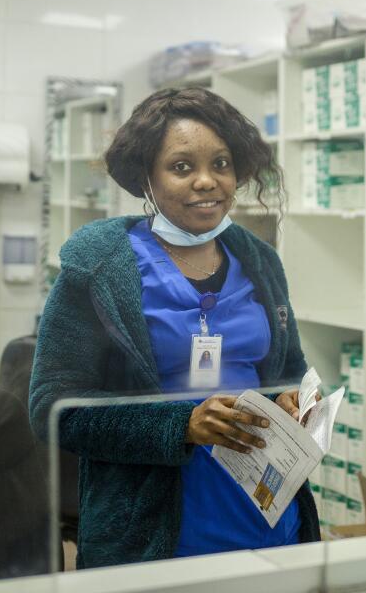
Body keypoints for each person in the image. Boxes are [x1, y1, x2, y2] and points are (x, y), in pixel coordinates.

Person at [29, 87, 319, 569]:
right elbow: (51, 407)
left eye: (221, 164)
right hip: (152, 535)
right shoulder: (100, 266)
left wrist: (293, 400)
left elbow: (290, 371)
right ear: (147, 176)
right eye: (182, 167)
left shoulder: (260, 261)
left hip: (268, 518)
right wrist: (179, 426)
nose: (207, 182)